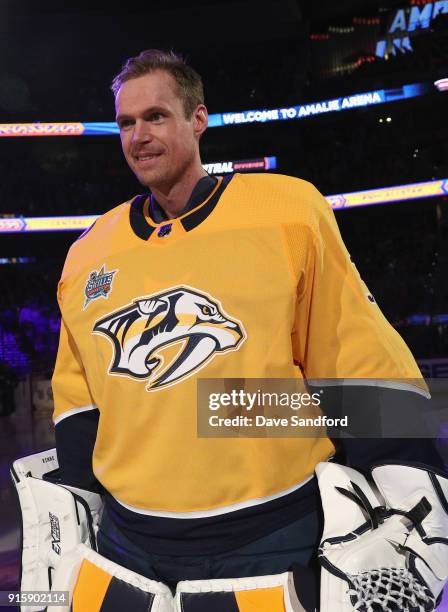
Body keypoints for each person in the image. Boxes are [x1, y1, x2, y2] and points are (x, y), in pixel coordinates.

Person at [50, 49, 445, 607]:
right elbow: (79, 396)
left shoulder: (288, 211)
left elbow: (351, 352)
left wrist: (404, 471)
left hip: (272, 537)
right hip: (128, 542)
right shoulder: (87, 253)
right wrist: (80, 495)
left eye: (157, 116)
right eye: (126, 123)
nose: (139, 135)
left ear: (198, 119)